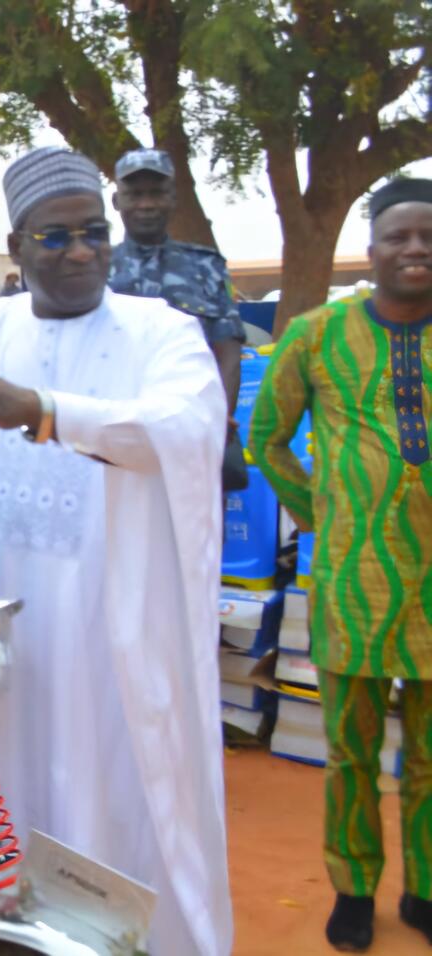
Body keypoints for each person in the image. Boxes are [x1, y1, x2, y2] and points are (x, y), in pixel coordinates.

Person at [0, 146, 232, 955]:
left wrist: (45, 409)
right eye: (56, 237)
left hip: (114, 635)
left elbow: (183, 430)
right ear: (17, 247)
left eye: (93, 233)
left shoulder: (162, 333)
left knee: (120, 792)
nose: (80, 252)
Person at [251, 177, 432, 951]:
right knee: (352, 754)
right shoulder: (316, 334)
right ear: (373, 247)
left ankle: (425, 889)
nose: (415, 250)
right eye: (399, 236)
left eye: (429, 238)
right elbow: (266, 440)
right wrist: (327, 516)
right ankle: (354, 890)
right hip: (354, 586)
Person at [109, 147, 249, 489]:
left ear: (173, 199)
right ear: (116, 201)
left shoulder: (206, 266)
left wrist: (216, 418)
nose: (146, 204)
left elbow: (228, 353)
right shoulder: (95, 269)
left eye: (156, 193)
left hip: (191, 437)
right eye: (135, 194)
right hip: (113, 437)